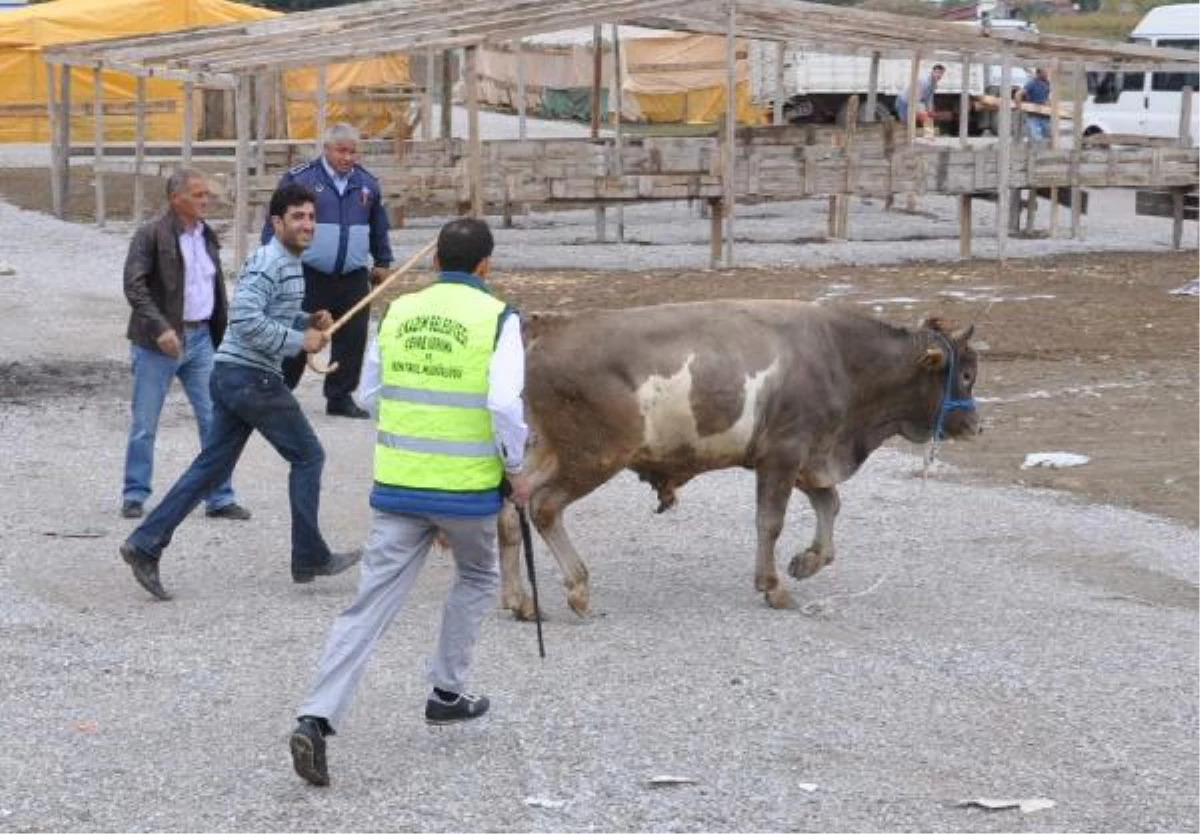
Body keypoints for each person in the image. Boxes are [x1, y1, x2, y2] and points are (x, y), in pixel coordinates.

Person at [288, 217, 531, 788]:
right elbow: (503, 403)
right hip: (467, 492)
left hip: (398, 486)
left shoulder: (399, 312)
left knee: (368, 606)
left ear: (433, 262)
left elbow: (371, 393)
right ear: (485, 267)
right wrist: (516, 471)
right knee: (476, 576)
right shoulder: (499, 318)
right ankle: (447, 690)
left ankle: (316, 717)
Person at [119, 184, 362, 601]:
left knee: (211, 467)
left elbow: (269, 312)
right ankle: (309, 556)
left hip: (235, 376)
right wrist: (298, 341)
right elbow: (246, 320)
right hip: (251, 378)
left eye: (310, 217)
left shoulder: (288, 262)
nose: (307, 225)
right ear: (276, 223)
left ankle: (144, 544)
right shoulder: (270, 261)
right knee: (308, 455)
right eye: (298, 218)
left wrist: (307, 319)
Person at [119, 168, 250, 522]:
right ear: (175, 198)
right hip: (157, 344)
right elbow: (135, 286)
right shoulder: (151, 234)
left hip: (202, 340)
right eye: (197, 194)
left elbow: (212, 289)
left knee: (214, 420)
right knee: (146, 422)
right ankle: (134, 493)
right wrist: (161, 329)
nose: (205, 200)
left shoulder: (206, 235)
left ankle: (220, 497)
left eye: (206, 194)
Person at [265, 122, 394, 419]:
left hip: (352, 275)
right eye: (341, 151)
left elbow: (379, 227)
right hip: (309, 271)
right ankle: (280, 392)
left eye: (353, 152)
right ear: (326, 149)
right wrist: (274, 260)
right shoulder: (301, 179)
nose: (347, 157)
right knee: (299, 330)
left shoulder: (367, 184)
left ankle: (340, 396)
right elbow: (275, 220)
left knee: (353, 336)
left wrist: (383, 261)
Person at [895, 64, 946, 134]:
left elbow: (929, 98)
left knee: (926, 118)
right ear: (932, 72)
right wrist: (923, 111)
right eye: (938, 72)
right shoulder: (924, 81)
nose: (939, 75)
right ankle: (924, 138)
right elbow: (916, 98)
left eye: (941, 73)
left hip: (915, 101)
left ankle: (929, 138)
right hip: (904, 101)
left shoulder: (934, 84)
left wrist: (930, 110)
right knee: (907, 123)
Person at [1019, 67, 1052, 142]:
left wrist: (1049, 106)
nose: (1047, 74)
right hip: (1033, 117)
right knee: (1036, 139)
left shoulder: (1047, 83)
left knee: (1047, 139)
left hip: (1044, 116)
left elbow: (1047, 97)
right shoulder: (1032, 83)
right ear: (1039, 73)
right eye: (1045, 72)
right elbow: (1019, 94)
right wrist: (1019, 107)